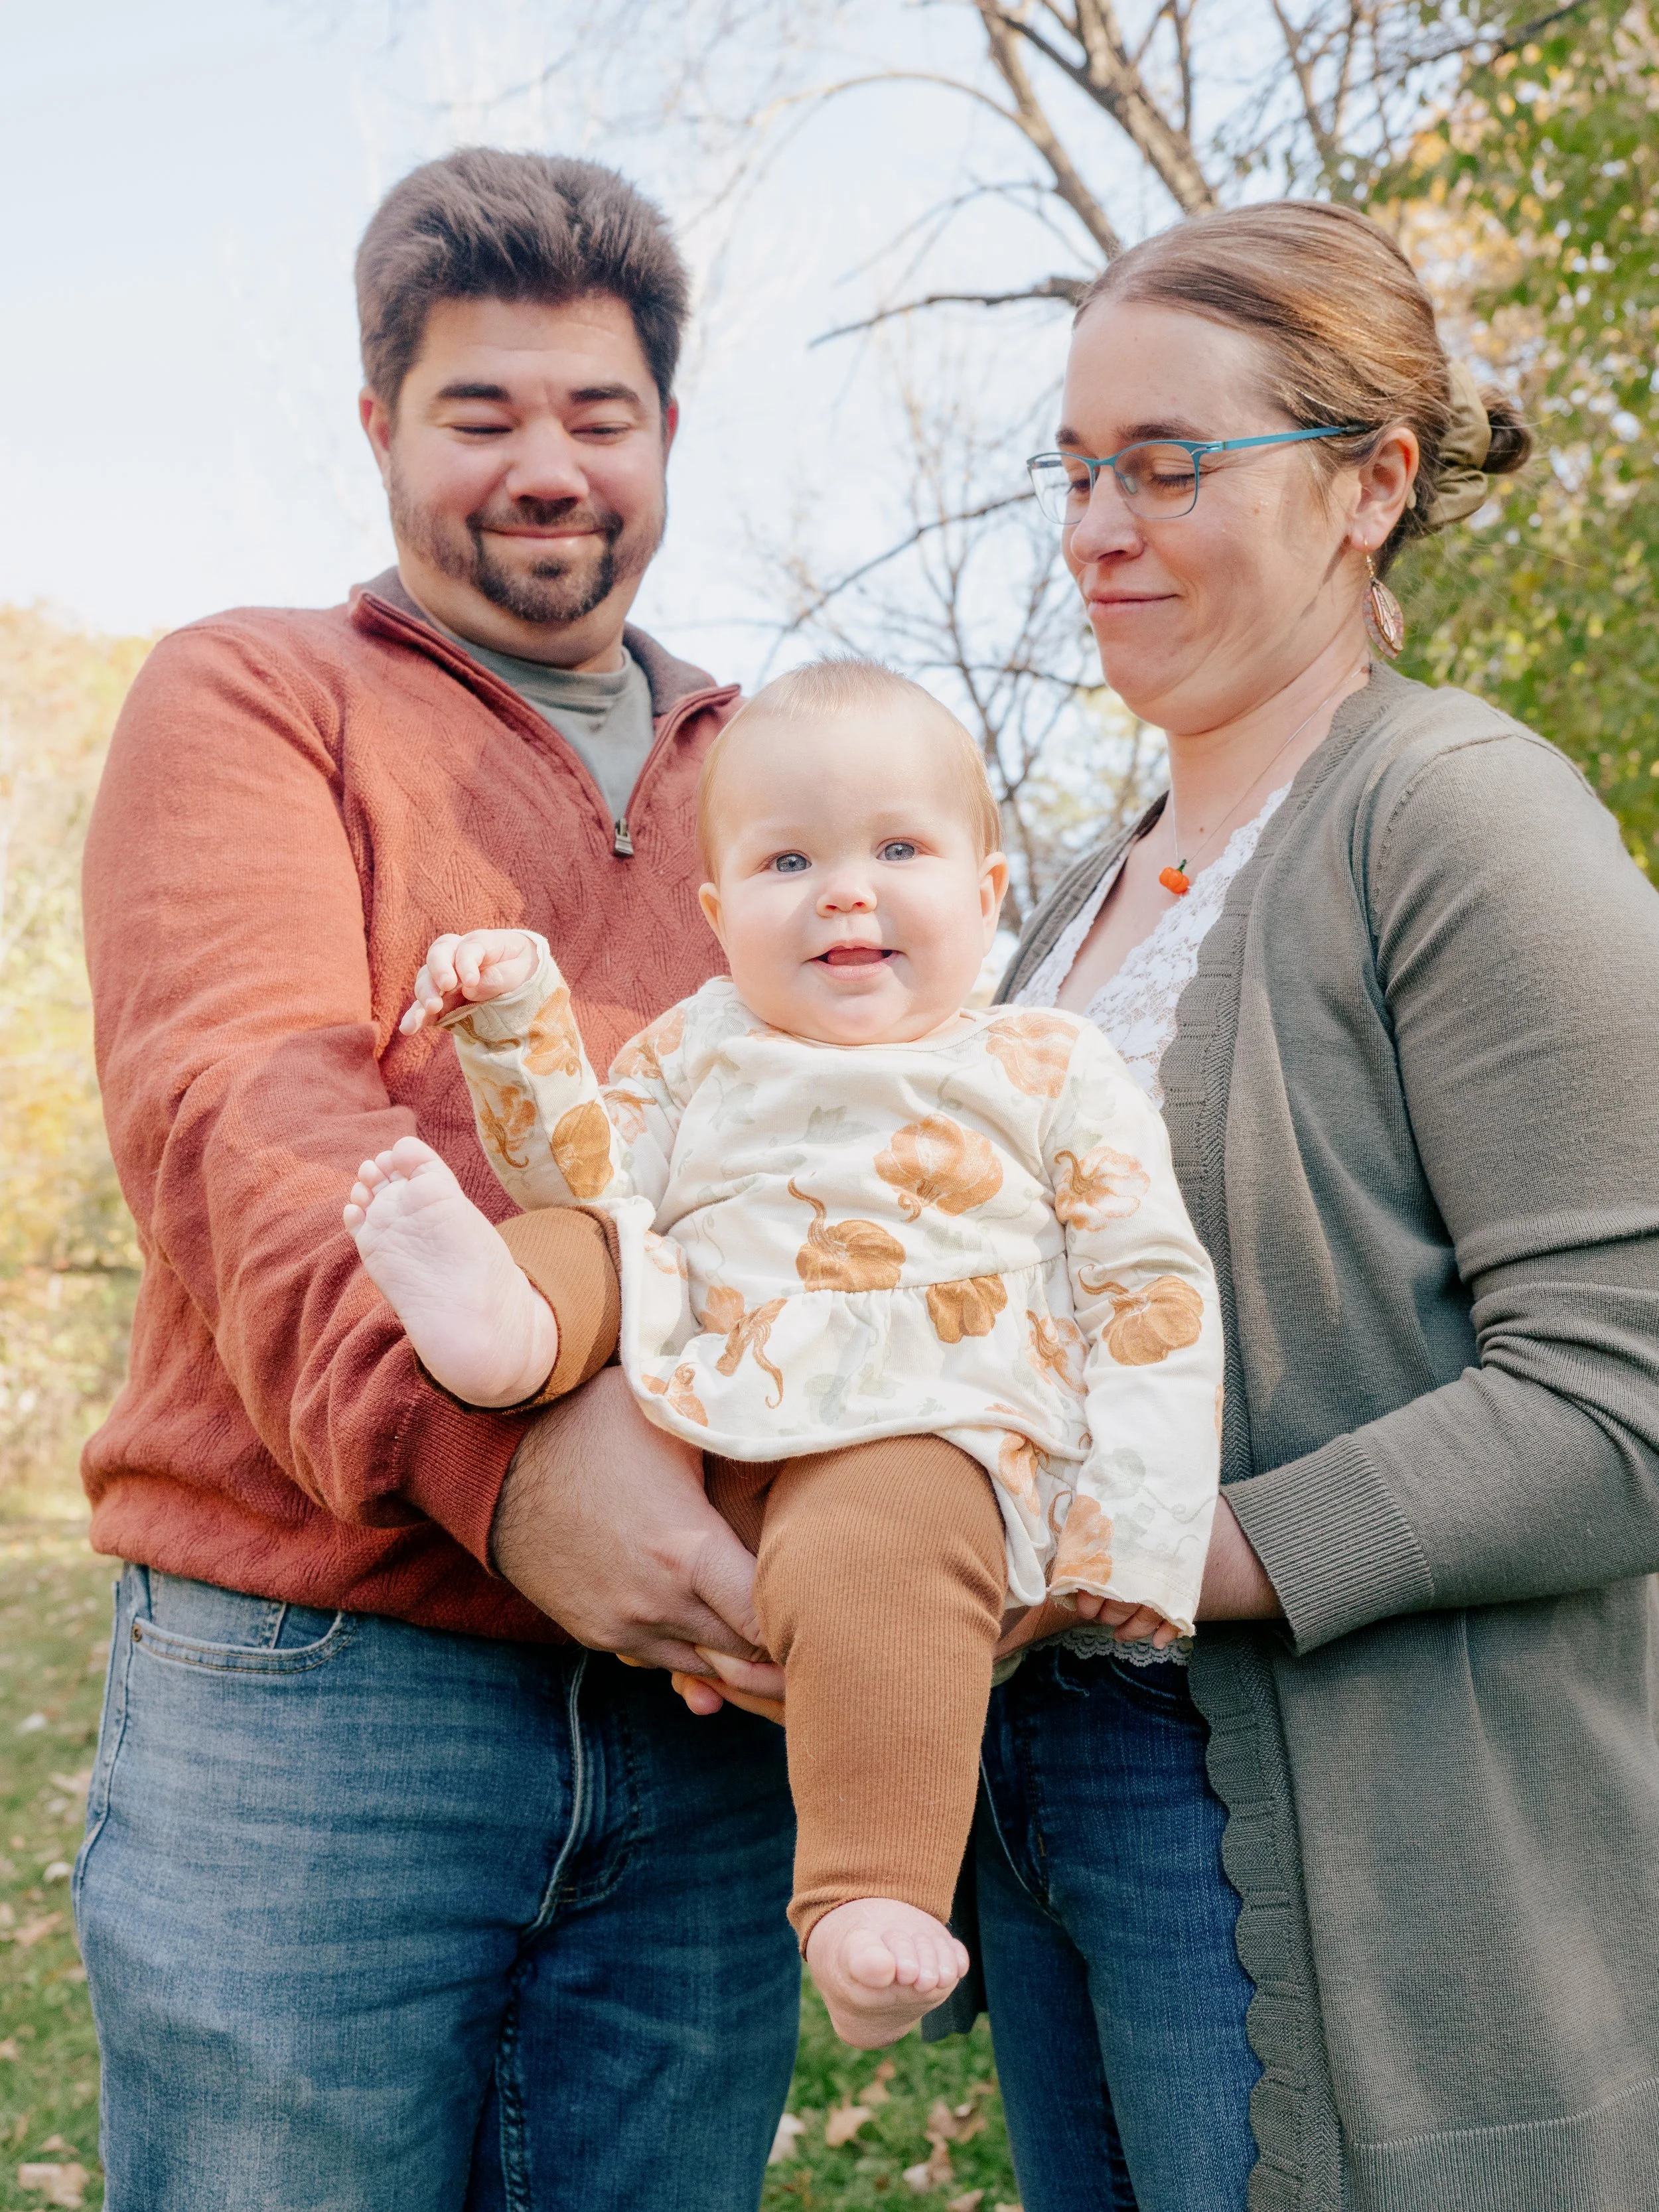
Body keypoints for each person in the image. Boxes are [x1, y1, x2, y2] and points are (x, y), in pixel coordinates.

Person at [72, 149, 803, 2212]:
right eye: (481, 413)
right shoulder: (255, 692)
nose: (545, 467)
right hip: (326, 1696)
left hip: (704, 1705)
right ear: (382, 425)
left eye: (599, 413)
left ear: (666, 430)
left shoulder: (781, 778)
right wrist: (516, 1470)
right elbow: (248, 1111)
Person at [960, 198, 1659, 2212]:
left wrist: (1156, 1549)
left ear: (1371, 485)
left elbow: (1621, 1400)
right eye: (1074, 467)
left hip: (1341, 1839)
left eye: (1166, 466)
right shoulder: (1078, 891)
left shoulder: (1448, 813)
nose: (1096, 526)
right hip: (1047, 1812)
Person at [339, 657, 1224, 2046]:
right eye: (788, 859)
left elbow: (1148, 1286)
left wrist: (1132, 1527)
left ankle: (868, 1896)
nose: (844, 889)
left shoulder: (1046, 1066)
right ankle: (492, 1330)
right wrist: (515, 1021)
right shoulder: (697, 1047)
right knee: (594, 1231)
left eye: (896, 847)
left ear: (986, 894)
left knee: (886, 1540)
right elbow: (578, 1167)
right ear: (718, 914)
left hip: (907, 1430)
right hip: (695, 1402)